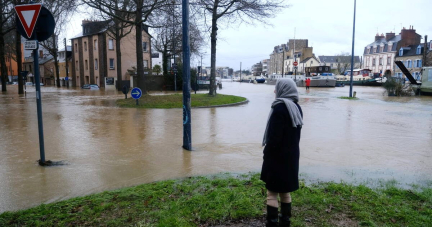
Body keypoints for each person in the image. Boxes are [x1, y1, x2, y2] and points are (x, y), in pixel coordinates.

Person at [261, 78, 303, 227]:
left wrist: (266, 154)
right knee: (285, 191)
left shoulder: (279, 108)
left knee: (272, 193)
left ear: (283, 89)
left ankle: (272, 223)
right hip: (291, 156)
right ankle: (285, 222)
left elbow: (274, 139)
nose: (274, 91)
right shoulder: (296, 108)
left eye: (276, 88)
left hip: (277, 158)